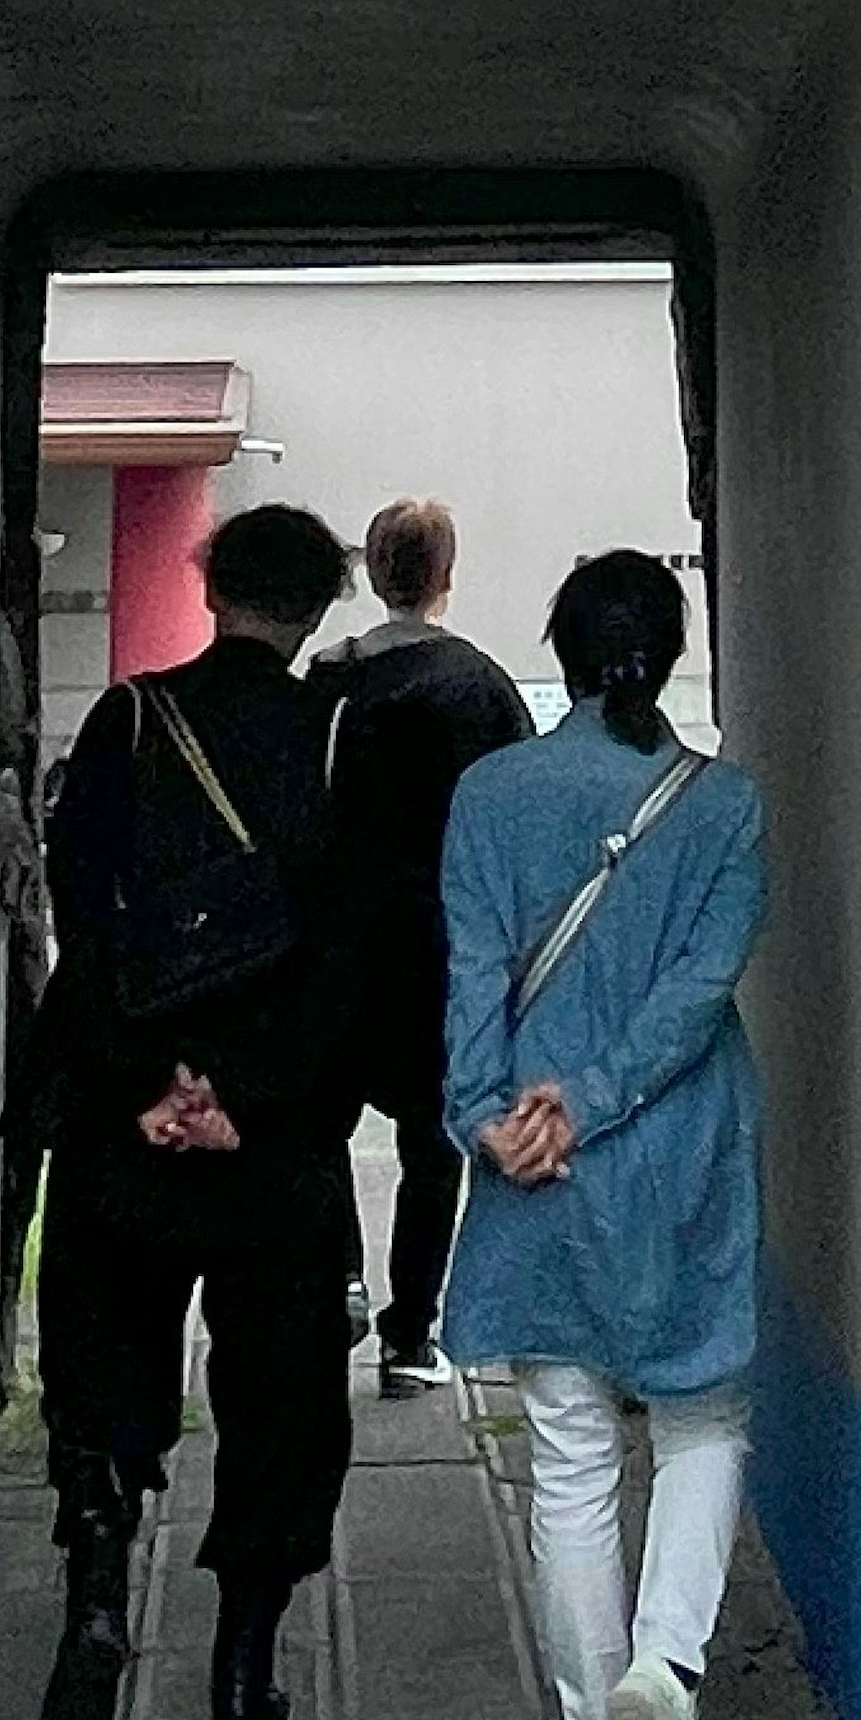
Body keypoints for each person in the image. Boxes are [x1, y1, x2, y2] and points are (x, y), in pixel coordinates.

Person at [439, 551, 765, 1720]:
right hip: (680, 1148)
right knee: (702, 1418)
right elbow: (699, 990)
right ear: (675, 652)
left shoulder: (491, 793)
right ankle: (665, 1675)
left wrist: (491, 1111)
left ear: (561, 653)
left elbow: (469, 974)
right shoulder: (726, 807)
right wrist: (602, 1094)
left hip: (535, 1160)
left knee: (569, 1452)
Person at [28, 498, 358, 1720]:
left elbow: (81, 909)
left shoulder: (126, 721)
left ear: (209, 584)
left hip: (128, 1133)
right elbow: (354, 955)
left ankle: (99, 1603)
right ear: (322, 604)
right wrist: (255, 1095)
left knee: (105, 1366)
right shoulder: (342, 742)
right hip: (273, 1151)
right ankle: (241, 1676)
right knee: (281, 1400)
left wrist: (142, 1084)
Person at [318, 496, 534, 1390]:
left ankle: (341, 1281)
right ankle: (413, 1336)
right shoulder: (480, 685)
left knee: (323, 1125)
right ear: (446, 575)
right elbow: (521, 819)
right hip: (444, 946)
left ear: (371, 573)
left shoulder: (328, 681)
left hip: (337, 939)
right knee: (430, 1144)